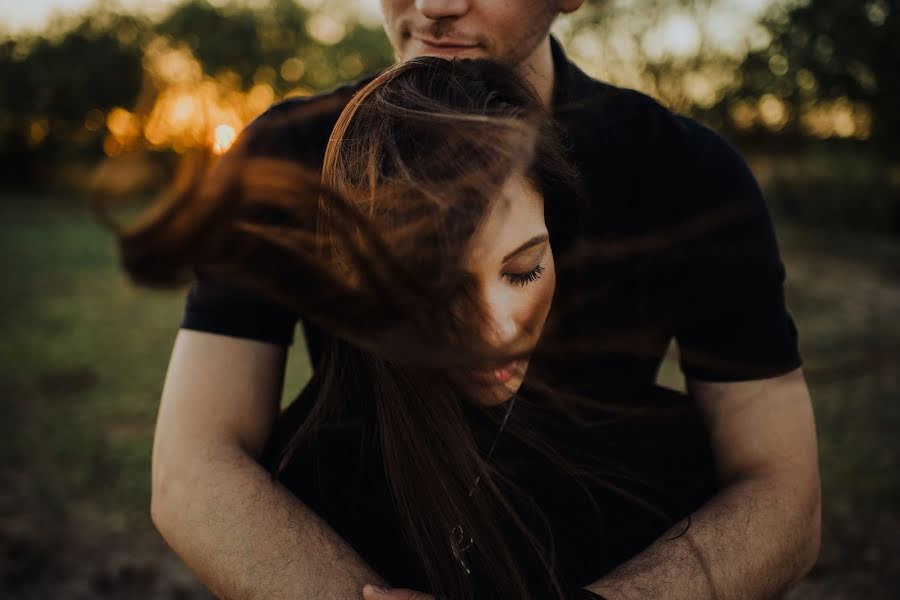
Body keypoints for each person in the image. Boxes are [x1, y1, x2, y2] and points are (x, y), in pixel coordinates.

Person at [142, 2, 821, 600]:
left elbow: (781, 490)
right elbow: (192, 463)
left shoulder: (687, 176)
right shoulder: (283, 155)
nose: (435, 5)